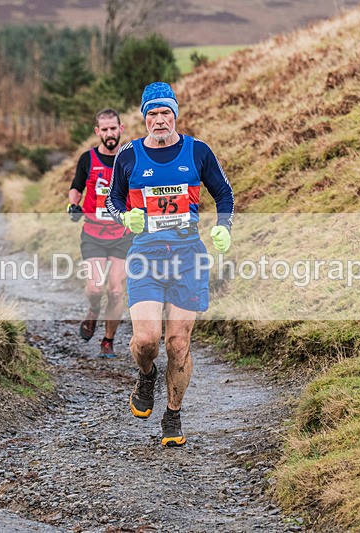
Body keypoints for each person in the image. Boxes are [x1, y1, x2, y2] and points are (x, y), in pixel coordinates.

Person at [105, 82, 234, 446]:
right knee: (146, 341)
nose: (159, 120)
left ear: (175, 115)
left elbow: (223, 192)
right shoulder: (128, 155)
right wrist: (125, 217)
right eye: (152, 114)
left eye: (165, 113)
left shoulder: (197, 152)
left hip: (187, 256)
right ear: (144, 118)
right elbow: (114, 199)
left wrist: (223, 227)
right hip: (146, 256)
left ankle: (173, 414)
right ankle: (146, 376)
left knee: (178, 342)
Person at [67, 108, 133, 358]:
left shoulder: (130, 157)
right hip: (93, 234)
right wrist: (73, 204)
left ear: (121, 129)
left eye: (113, 128)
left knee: (115, 290)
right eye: (104, 130)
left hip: (123, 235)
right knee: (95, 288)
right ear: (98, 132)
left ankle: (108, 340)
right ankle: (93, 311)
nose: (109, 134)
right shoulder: (88, 159)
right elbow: (76, 187)